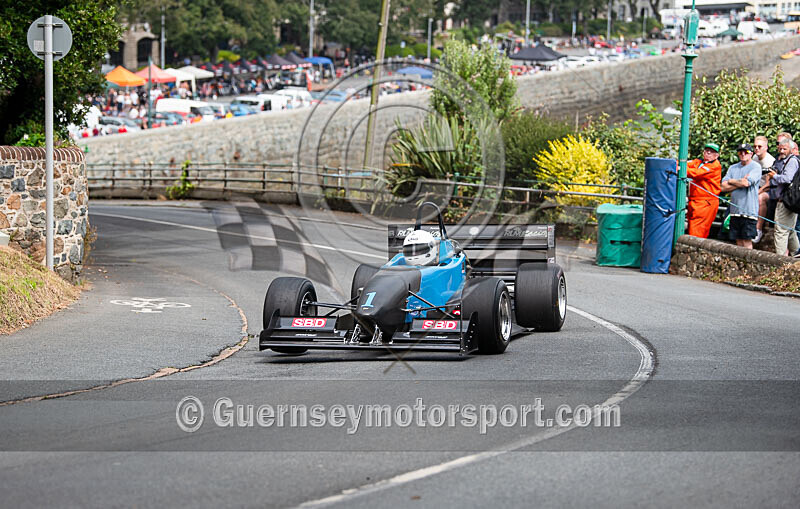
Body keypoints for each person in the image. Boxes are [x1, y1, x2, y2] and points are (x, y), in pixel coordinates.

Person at [720, 144, 762, 249]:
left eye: (746, 152)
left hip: (749, 212)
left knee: (747, 241)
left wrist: (731, 181)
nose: (743, 154)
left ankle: (749, 260)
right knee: (738, 240)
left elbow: (746, 183)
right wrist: (740, 182)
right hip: (734, 211)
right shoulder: (732, 168)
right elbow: (723, 187)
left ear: (751, 154)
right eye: (740, 152)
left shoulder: (756, 167)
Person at [766, 138, 799, 256]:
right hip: (790, 200)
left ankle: (779, 259)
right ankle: (796, 253)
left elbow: (787, 178)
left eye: (784, 149)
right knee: (789, 230)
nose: (781, 151)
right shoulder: (783, 160)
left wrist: (774, 176)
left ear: (791, 149)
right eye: (780, 149)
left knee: (780, 230)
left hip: (786, 200)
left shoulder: (792, 161)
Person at [686, 142, 723, 238]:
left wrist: (680, 168)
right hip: (695, 200)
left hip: (706, 202)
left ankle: (694, 247)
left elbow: (696, 173)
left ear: (717, 155)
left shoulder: (714, 166)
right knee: (692, 228)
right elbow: (682, 163)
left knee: (697, 232)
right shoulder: (699, 162)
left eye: (712, 151)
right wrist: (677, 165)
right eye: (707, 150)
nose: (708, 153)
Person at [753, 135, 776, 242]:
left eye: (759, 146)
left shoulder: (770, 161)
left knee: (760, 198)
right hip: (757, 186)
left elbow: (768, 184)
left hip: (770, 188)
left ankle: (758, 229)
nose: (757, 149)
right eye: (755, 146)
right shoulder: (754, 158)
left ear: (766, 147)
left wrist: (757, 192)